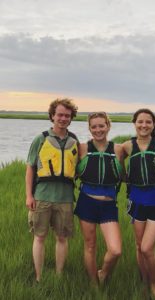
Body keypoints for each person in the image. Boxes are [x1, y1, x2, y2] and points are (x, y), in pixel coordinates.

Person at [26, 98, 79, 282]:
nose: (63, 118)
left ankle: (59, 275)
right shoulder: (40, 139)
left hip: (65, 198)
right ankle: (39, 277)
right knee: (39, 237)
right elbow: (30, 168)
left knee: (62, 238)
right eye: (60, 115)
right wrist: (29, 195)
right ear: (52, 116)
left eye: (67, 115)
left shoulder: (74, 141)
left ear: (71, 118)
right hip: (42, 197)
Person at [122, 108, 155, 300]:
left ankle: (153, 284)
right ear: (134, 123)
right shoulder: (126, 146)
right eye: (140, 121)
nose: (144, 125)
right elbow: (111, 159)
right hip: (136, 200)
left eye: (148, 122)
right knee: (138, 245)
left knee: (147, 248)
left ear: (154, 124)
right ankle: (143, 280)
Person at [74, 111, 124, 285]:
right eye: (94, 126)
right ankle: (94, 285)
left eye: (101, 126)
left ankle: (103, 273)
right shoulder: (82, 148)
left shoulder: (119, 149)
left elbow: (144, 144)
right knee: (90, 246)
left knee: (116, 250)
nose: (98, 130)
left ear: (108, 126)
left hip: (109, 205)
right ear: (89, 128)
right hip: (86, 201)